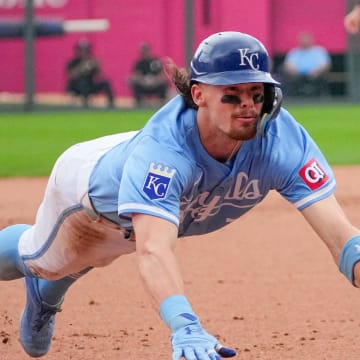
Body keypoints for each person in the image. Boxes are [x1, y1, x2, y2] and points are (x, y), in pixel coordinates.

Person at [0, 31, 360, 360]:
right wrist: (185, 326)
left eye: (257, 92)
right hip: (90, 197)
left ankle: (46, 291)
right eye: (231, 94)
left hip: (143, 196)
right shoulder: (163, 155)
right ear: (199, 94)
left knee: (92, 256)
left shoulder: (279, 140)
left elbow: (340, 236)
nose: (248, 105)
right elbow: (153, 249)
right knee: (45, 258)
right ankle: (42, 288)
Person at [66, 39, 115, 108]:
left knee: (106, 82)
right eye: (81, 50)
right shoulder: (73, 62)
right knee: (83, 83)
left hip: (90, 85)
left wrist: (98, 66)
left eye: (86, 50)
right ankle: (85, 102)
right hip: (76, 86)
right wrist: (82, 67)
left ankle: (111, 103)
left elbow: (100, 76)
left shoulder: (91, 61)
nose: (84, 52)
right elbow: (70, 76)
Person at [281, 32, 331, 96]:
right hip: (297, 75)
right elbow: (288, 64)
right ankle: (292, 98)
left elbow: (325, 64)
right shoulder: (294, 52)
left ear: (311, 41)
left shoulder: (319, 51)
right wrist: (293, 71)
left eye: (306, 40)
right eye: (303, 41)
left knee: (322, 77)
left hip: (316, 75)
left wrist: (317, 71)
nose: (305, 42)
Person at [128, 42, 168, 107]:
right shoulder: (139, 63)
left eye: (146, 51)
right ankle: (138, 104)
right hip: (143, 85)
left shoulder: (155, 61)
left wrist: (154, 80)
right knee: (135, 85)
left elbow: (162, 75)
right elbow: (137, 75)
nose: (144, 53)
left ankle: (162, 103)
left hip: (155, 85)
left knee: (164, 85)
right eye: (142, 52)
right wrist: (144, 81)